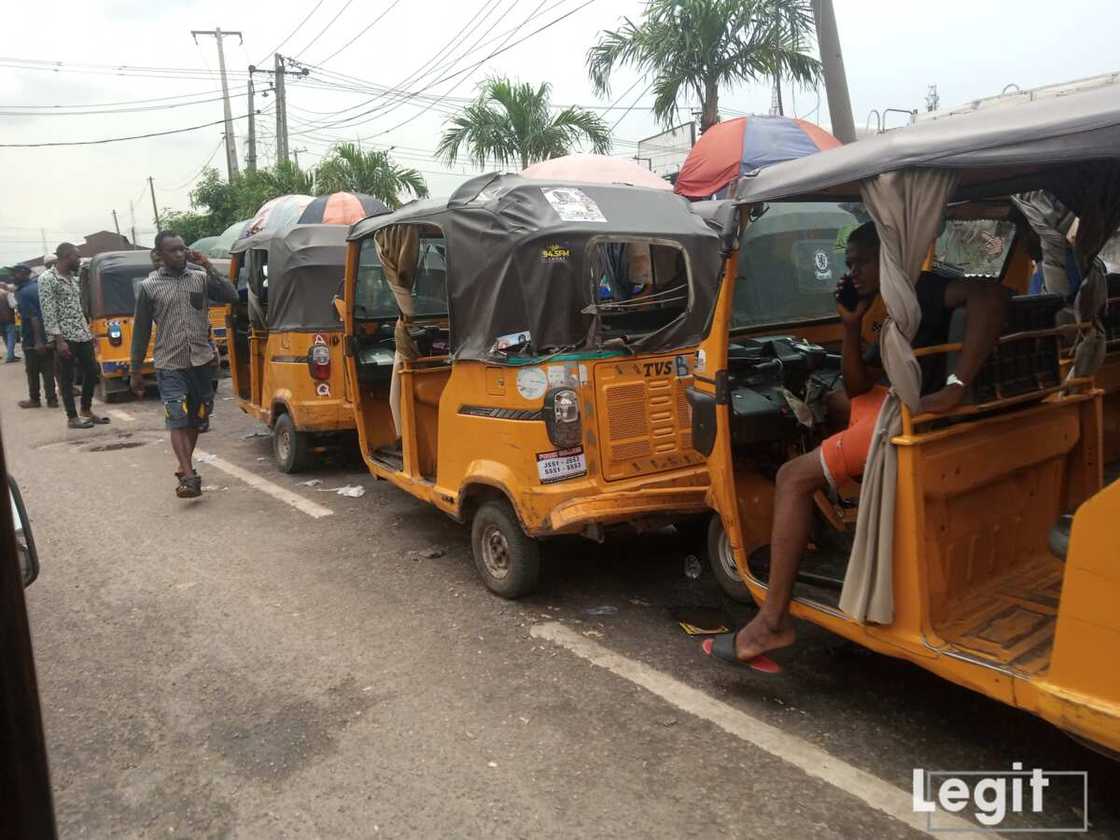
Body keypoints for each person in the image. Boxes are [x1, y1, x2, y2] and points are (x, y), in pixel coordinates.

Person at [710, 221, 1008, 667]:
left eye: (863, 262)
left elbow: (992, 294)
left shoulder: (919, 291)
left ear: (888, 256)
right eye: (849, 265)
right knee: (831, 402)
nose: (856, 273)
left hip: (909, 417)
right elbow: (854, 385)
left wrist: (956, 384)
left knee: (792, 478)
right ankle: (850, 527)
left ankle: (773, 622)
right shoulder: (884, 306)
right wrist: (849, 324)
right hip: (885, 404)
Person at [130, 231, 237, 498]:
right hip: (170, 363)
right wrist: (135, 371)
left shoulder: (200, 278)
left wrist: (208, 265)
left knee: (196, 419)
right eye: (173, 250)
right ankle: (190, 477)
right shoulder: (149, 286)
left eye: (182, 249)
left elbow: (231, 295)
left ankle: (183, 465)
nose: (179, 254)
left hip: (201, 361)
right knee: (177, 418)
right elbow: (141, 330)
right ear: (160, 255)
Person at [38, 244, 108, 429]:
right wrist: (59, 341)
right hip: (65, 337)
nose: (79, 260)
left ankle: (86, 409)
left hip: (82, 334)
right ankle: (72, 417)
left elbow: (78, 308)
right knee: (67, 378)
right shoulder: (47, 279)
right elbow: (48, 311)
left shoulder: (73, 278)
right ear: (67, 257)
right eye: (77, 257)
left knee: (93, 371)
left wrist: (88, 331)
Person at [13, 267, 57, 409]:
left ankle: (34, 399)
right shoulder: (38, 287)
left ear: (24, 274)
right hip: (48, 334)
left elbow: (33, 317)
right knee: (48, 369)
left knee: (32, 370)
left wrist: (38, 341)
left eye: (16, 273)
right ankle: (52, 400)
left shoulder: (23, 293)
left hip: (33, 338)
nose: (14, 276)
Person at [0, 281, 19, 363]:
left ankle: (10, 354)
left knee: (5, 337)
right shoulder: (7, 294)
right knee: (11, 338)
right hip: (8, 319)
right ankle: (10, 356)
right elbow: (13, 305)